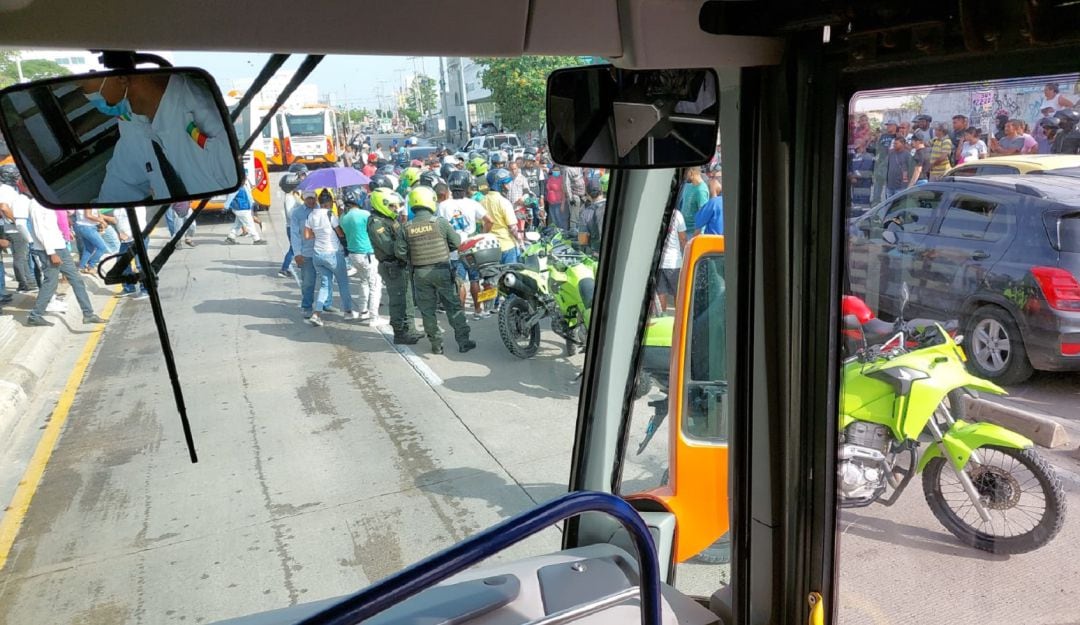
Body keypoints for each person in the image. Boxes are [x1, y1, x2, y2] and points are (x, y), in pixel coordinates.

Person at [78, 74, 236, 203]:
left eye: (84, 82)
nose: (86, 94)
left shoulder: (210, 121)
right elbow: (122, 182)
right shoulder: (132, 122)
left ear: (121, 78)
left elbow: (229, 188)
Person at [395, 186, 476, 355]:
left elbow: (400, 253)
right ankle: (463, 341)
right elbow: (456, 243)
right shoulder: (440, 223)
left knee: (427, 310)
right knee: (453, 307)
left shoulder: (406, 227)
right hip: (442, 270)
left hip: (420, 274)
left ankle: (436, 344)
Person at [26, 192, 105, 327]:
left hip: (59, 247)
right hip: (50, 250)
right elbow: (41, 231)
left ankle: (88, 314)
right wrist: (51, 253)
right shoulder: (36, 204)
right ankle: (35, 316)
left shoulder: (45, 200)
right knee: (51, 283)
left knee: (76, 280)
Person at [367, 188, 423, 344]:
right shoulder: (376, 223)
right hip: (391, 265)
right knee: (398, 300)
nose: (395, 209)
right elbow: (389, 247)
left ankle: (410, 328)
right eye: (391, 206)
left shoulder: (390, 219)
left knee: (408, 297)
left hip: (401, 263)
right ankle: (399, 332)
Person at [438, 173, 490, 319]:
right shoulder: (472, 203)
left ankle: (460, 313)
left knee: (459, 283)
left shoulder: (443, 206)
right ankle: (478, 310)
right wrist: (482, 236)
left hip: (453, 250)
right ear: (466, 187)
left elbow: (439, 226)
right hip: (471, 248)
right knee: (475, 280)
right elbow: (489, 220)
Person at [303, 189, 356, 326]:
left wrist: (319, 235)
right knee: (343, 283)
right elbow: (341, 233)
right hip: (332, 253)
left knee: (325, 285)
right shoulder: (330, 215)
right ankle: (348, 311)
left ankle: (316, 314)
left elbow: (307, 236)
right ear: (329, 203)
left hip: (317, 255)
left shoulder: (311, 215)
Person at [339, 187, 382, 326]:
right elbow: (375, 231)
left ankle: (363, 311)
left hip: (353, 254)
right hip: (367, 254)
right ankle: (374, 317)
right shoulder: (365, 214)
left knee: (363, 282)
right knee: (375, 285)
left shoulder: (343, 217)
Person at [291, 189, 335, 319]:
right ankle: (307, 306)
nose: (311, 201)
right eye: (308, 198)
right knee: (308, 282)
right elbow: (295, 235)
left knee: (327, 280)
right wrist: (297, 253)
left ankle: (326, 303)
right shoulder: (297, 213)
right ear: (304, 199)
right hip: (307, 253)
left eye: (313, 198)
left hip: (324, 250)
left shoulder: (323, 209)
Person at [480, 168, 524, 264]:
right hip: (507, 247)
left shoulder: (482, 201)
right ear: (499, 184)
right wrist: (521, 242)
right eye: (506, 183)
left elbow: (481, 225)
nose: (508, 186)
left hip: (490, 247)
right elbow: (513, 228)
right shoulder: (504, 202)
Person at [114, 206, 150, 299]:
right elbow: (118, 220)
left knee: (140, 264)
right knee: (122, 263)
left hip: (137, 238)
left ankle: (146, 289)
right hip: (125, 240)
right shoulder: (118, 204)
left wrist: (129, 235)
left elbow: (139, 222)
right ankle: (128, 288)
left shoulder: (137, 205)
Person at [657, 207, 687, 311]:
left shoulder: (657, 213)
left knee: (661, 293)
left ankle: (662, 319)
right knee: (677, 293)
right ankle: (678, 321)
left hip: (660, 263)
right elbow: (683, 239)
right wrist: (687, 256)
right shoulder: (677, 215)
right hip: (674, 263)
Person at [871, 120, 898, 204]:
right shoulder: (883, 136)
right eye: (887, 125)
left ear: (895, 126)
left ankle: (889, 203)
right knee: (878, 182)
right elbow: (878, 147)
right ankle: (876, 201)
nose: (888, 127)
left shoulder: (897, 136)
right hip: (881, 162)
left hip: (891, 162)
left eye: (890, 125)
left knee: (889, 184)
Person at [578, 178, 606, 256]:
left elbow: (583, 240)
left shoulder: (585, 213)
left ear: (588, 195)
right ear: (602, 190)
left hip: (596, 253)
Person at [679, 167, 709, 232]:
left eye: (685, 173)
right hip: (682, 229)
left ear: (691, 172)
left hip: (692, 232)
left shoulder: (701, 191)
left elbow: (703, 215)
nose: (684, 175)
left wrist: (697, 236)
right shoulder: (687, 185)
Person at [847, 141, 874, 207]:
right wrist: (850, 176)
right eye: (856, 148)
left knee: (863, 203)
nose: (857, 149)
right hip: (855, 184)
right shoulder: (854, 157)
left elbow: (866, 169)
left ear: (863, 147)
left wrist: (854, 176)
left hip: (864, 183)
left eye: (859, 147)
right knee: (856, 202)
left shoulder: (868, 156)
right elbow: (849, 168)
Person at [561, 165, 587, 230]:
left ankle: (581, 231)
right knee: (574, 217)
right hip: (574, 196)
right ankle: (573, 232)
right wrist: (570, 198)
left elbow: (582, 179)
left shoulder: (579, 167)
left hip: (582, 195)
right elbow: (566, 184)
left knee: (581, 216)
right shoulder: (567, 169)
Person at [545, 164, 567, 230]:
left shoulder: (562, 179)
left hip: (559, 203)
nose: (556, 171)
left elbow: (564, 193)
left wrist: (563, 205)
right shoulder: (550, 178)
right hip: (551, 203)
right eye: (554, 170)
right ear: (552, 170)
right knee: (554, 221)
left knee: (560, 220)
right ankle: (556, 234)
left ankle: (563, 234)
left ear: (560, 171)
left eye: (557, 170)